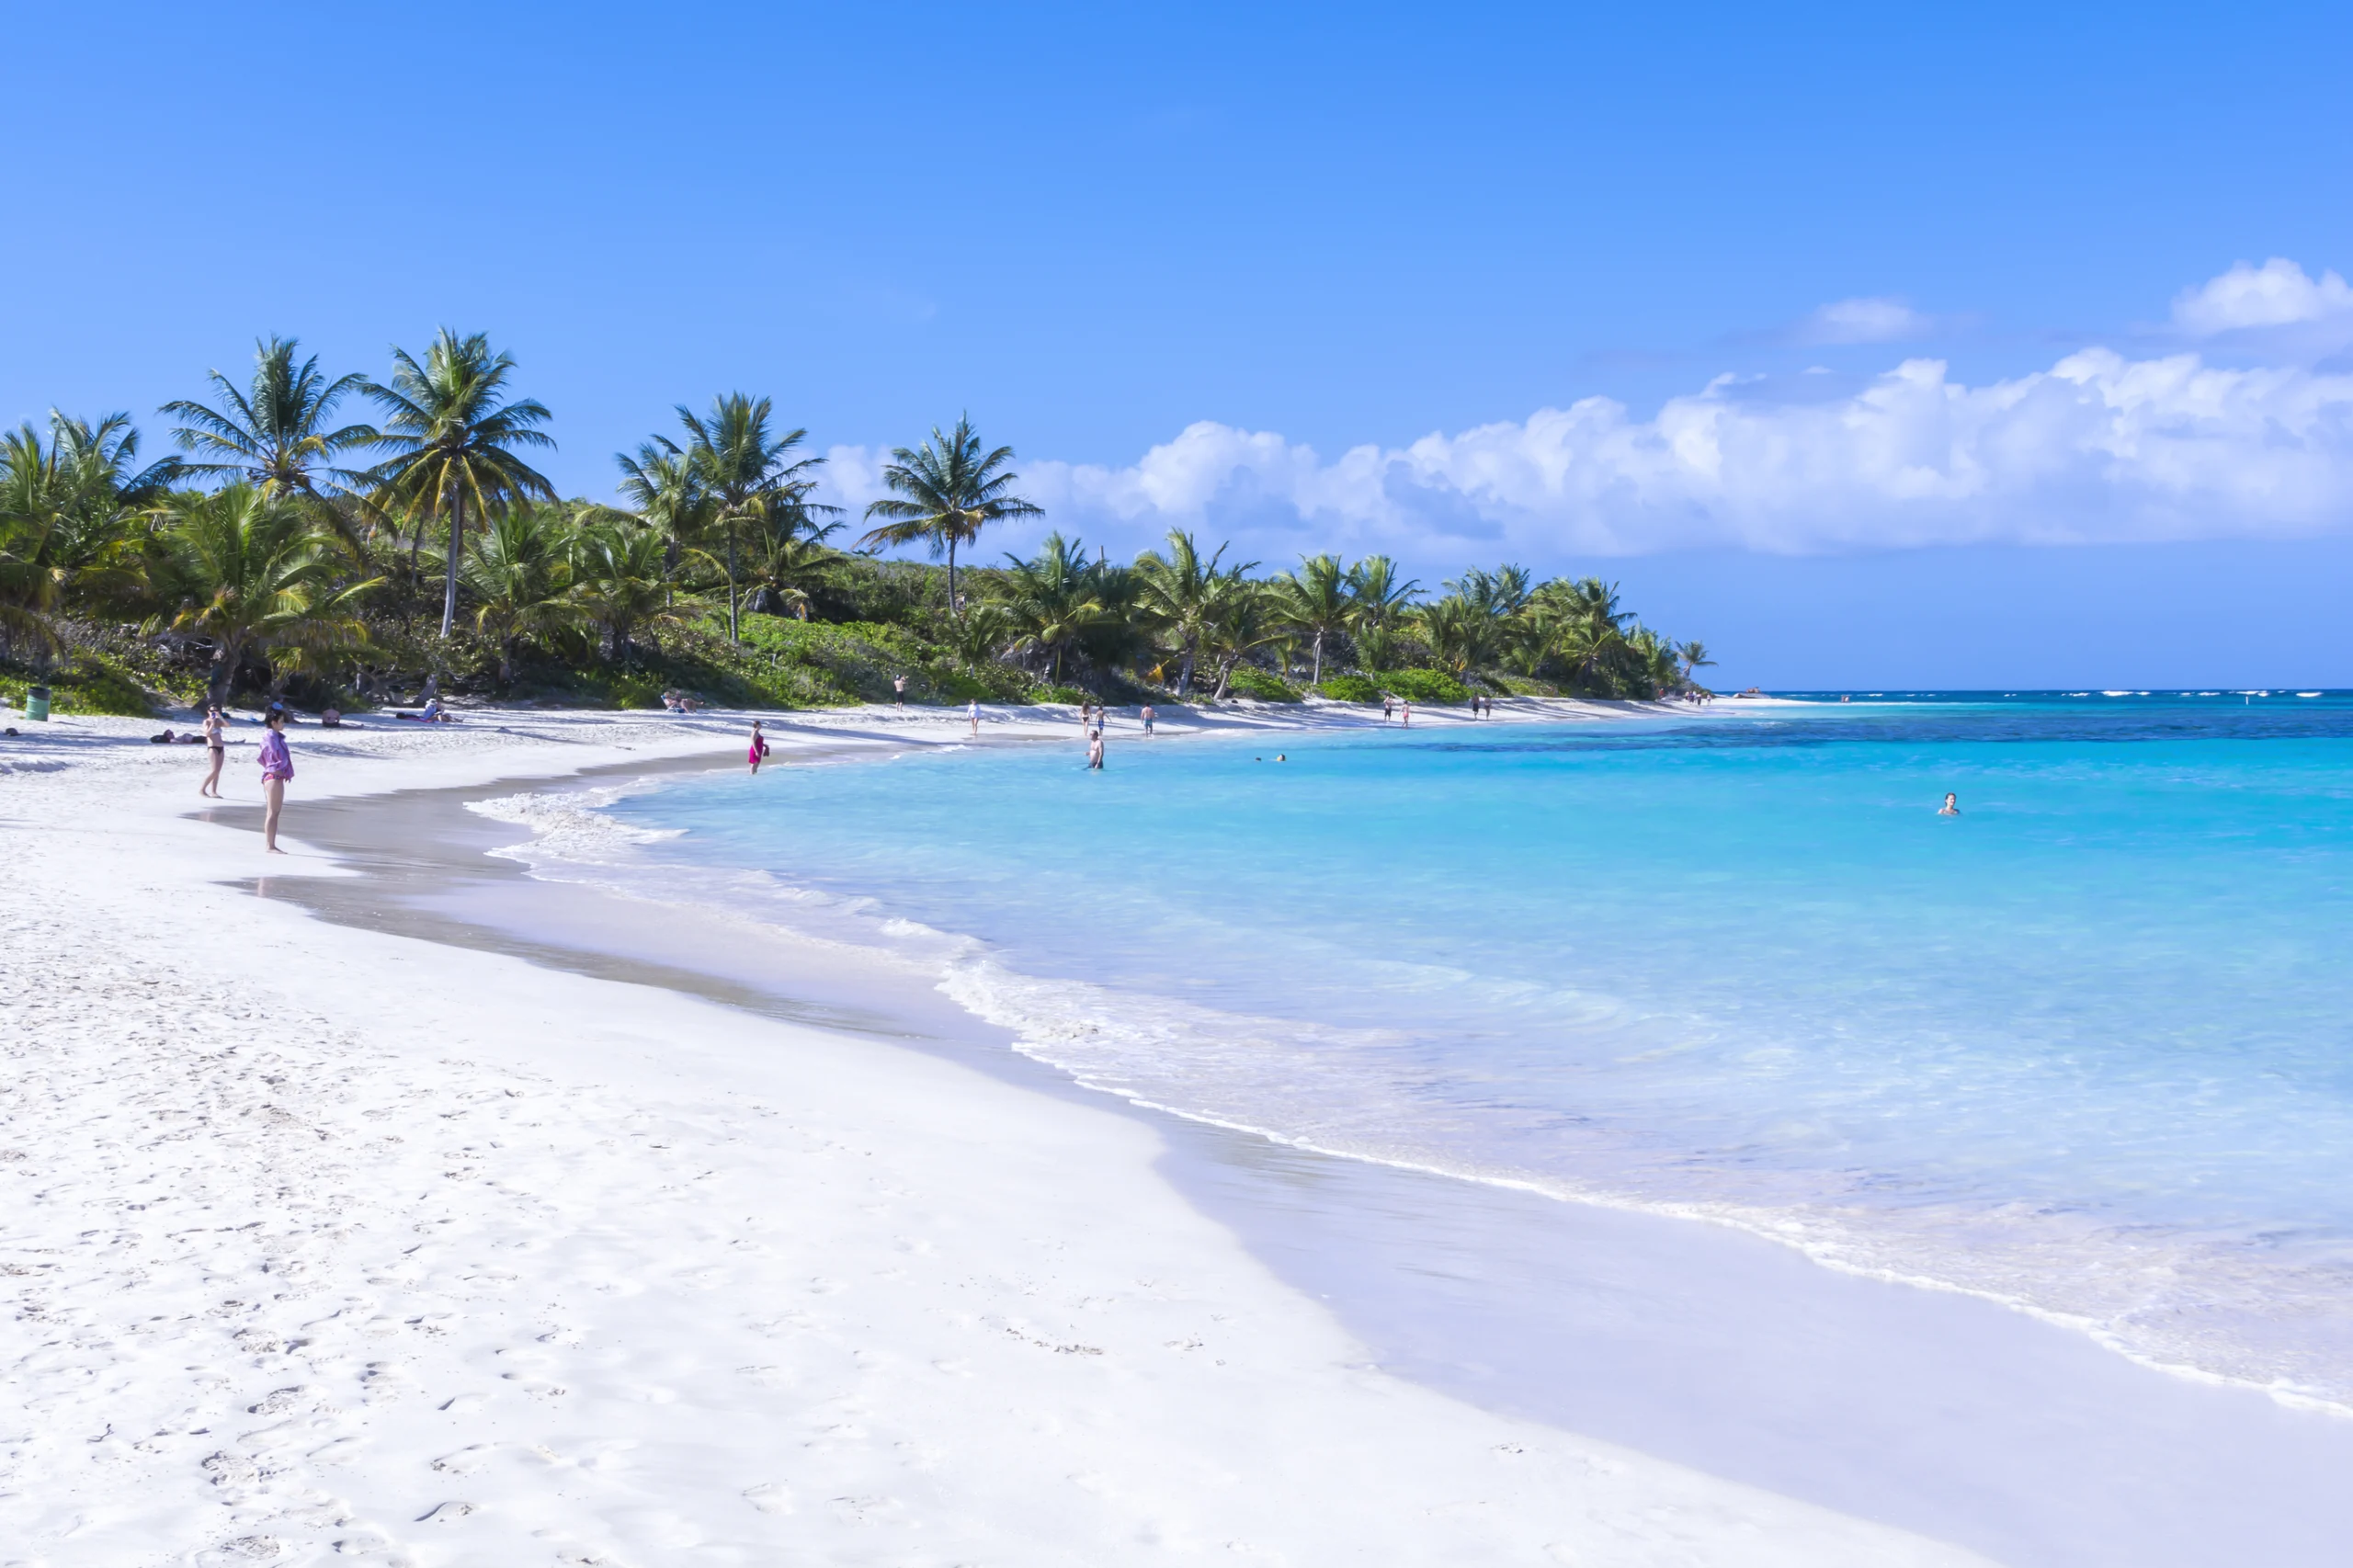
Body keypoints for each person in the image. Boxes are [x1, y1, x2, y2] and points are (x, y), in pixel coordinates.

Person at [257, 710, 293, 854]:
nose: (283, 724)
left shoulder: (276, 737)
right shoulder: (271, 737)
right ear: (274, 723)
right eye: (281, 721)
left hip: (276, 777)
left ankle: (271, 844)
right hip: (273, 777)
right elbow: (276, 757)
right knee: (272, 813)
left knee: (275, 812)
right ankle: (270, 846)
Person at [199, 704, 226, 798]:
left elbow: (228, 725)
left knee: (218, 771)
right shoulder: (206, 721)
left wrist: (220, 717)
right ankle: (202, 789)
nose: (213, 712)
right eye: (211, 711)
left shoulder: (218, 722)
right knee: (214, 770)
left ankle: (213, 792)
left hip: (221, 747)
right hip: (212, 747)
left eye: (215, 711)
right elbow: (207, 734)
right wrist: (212, 724)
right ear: (208, 712)